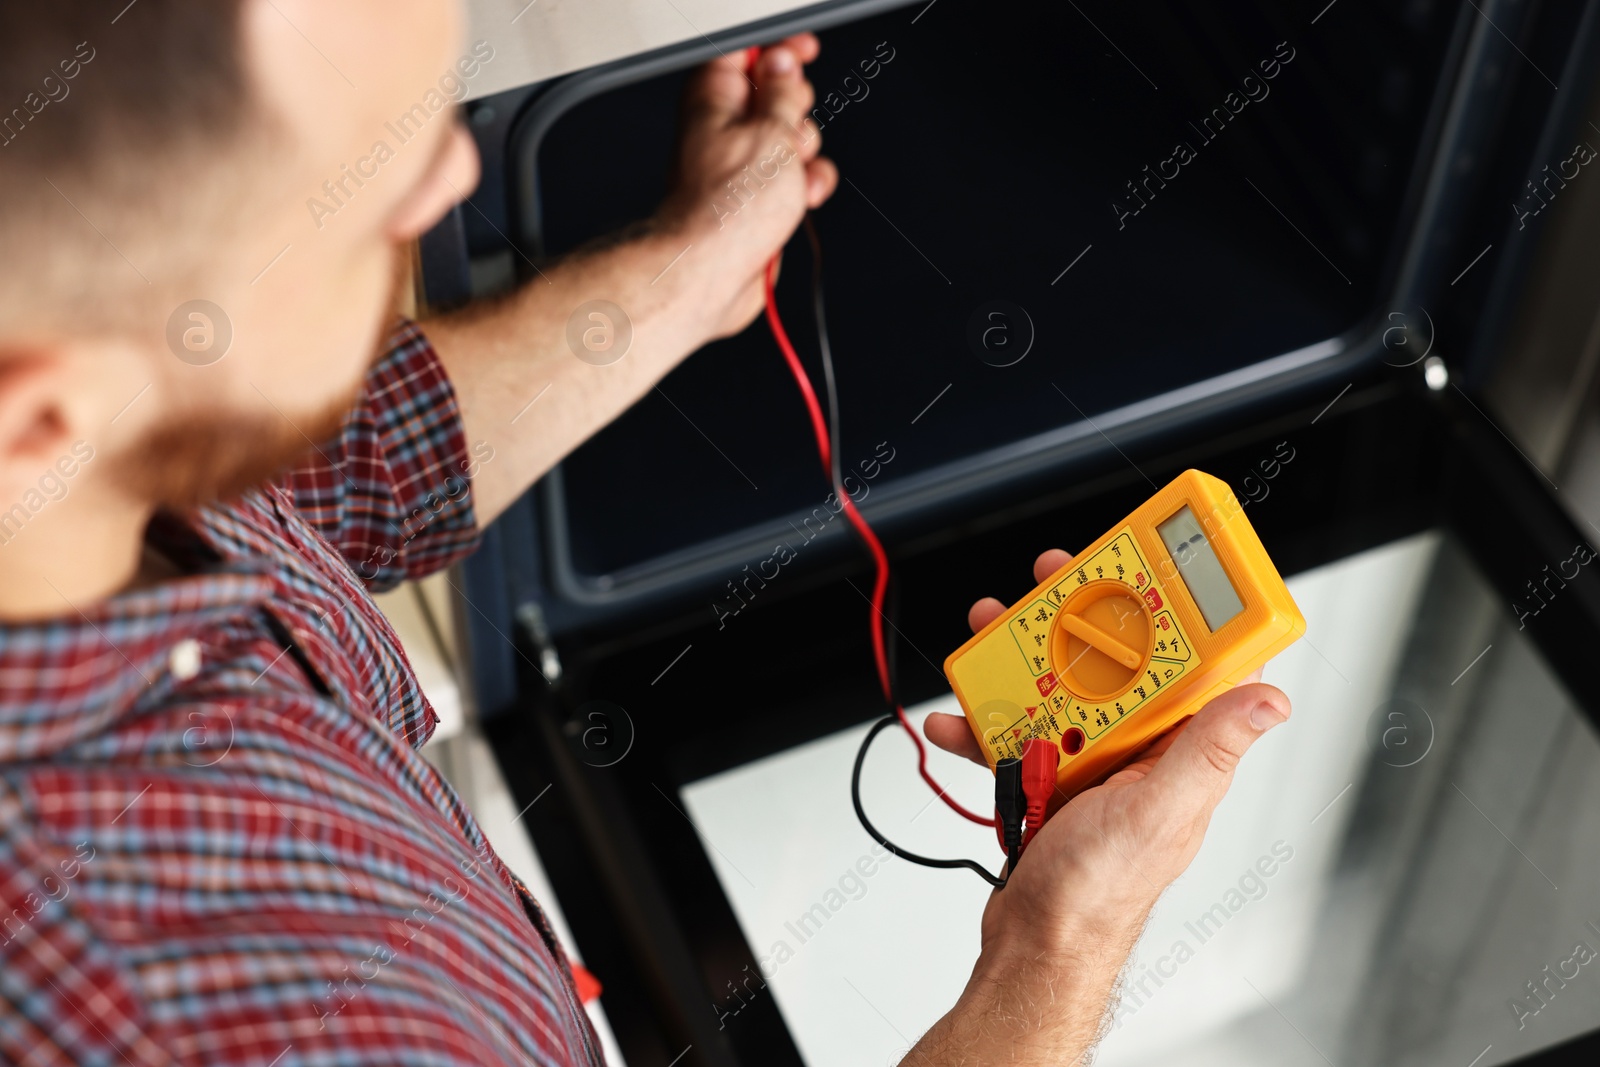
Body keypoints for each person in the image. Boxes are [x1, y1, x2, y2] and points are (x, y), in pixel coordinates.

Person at [0, 2, 1291, 1064]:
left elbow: (303, 483)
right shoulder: (186, 1017)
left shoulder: (72, 481)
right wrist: (1056, 948)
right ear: (37, 421)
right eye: (356, 186)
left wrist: (681, 278)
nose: (455, 171)